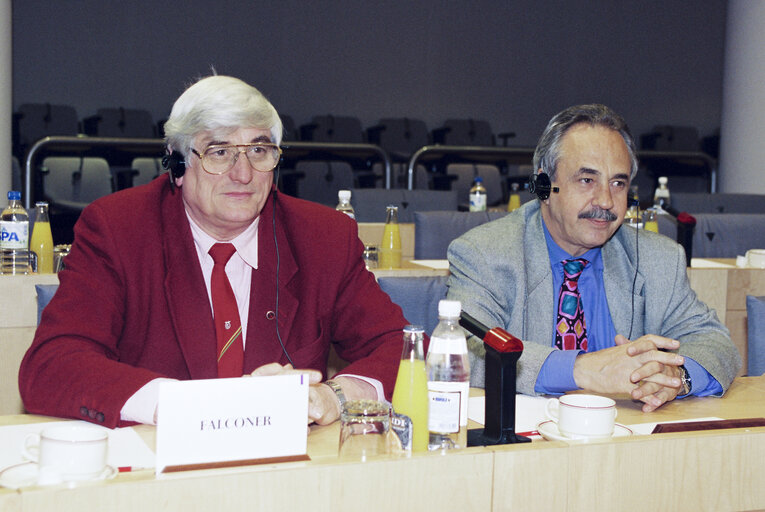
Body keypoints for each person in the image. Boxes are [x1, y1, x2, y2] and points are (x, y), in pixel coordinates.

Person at [19, 75, 409, 428]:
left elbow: (401, 346)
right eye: (219, 152)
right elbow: (53, 365)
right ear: (177, 163)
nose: (243, 174)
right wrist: (176, 404)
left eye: (259, 151)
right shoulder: (118, 229)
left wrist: (335, 396)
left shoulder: (323, 237)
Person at [447, 104, 741, 412]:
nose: (605, 201)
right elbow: (463, 352)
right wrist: (583, 370)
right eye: (587, 180)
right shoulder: (485, 253)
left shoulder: (659, 259)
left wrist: (676, 377)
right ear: (544, 185)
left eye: (618, 183)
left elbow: (715, 343)